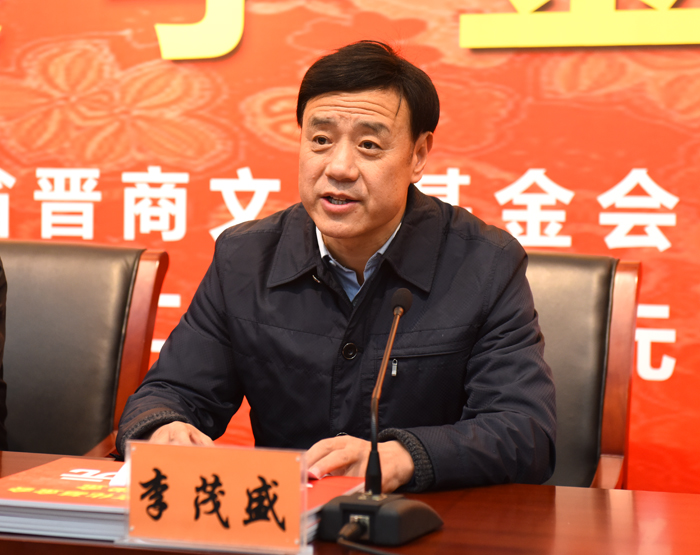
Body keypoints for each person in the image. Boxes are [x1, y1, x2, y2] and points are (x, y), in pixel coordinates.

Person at [117, 40, 556, 492]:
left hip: (426, 518)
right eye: (321, 140)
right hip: (283, 517)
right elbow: (171, 393)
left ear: (419, 156)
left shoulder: (484, 264)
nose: (339, 167)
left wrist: (403, 456)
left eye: (369, 145)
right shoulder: (244, 258)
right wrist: (163, 427)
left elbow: (524, 431)